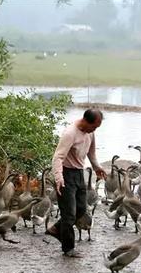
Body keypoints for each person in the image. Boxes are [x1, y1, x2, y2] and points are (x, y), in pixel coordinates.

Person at [46, 109, 107, 257]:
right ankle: (69, 248)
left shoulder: (90, 133)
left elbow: (91, 153)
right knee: (69, 214)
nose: (94, 130)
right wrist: (59, 177)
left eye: (97, 128)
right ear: (86, 121)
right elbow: (58, 158)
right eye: (94, 126)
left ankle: (55, 229)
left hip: (79, 174)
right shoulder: (70, 133)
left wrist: (96, 167)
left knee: (80, 209)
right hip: (66, 174)